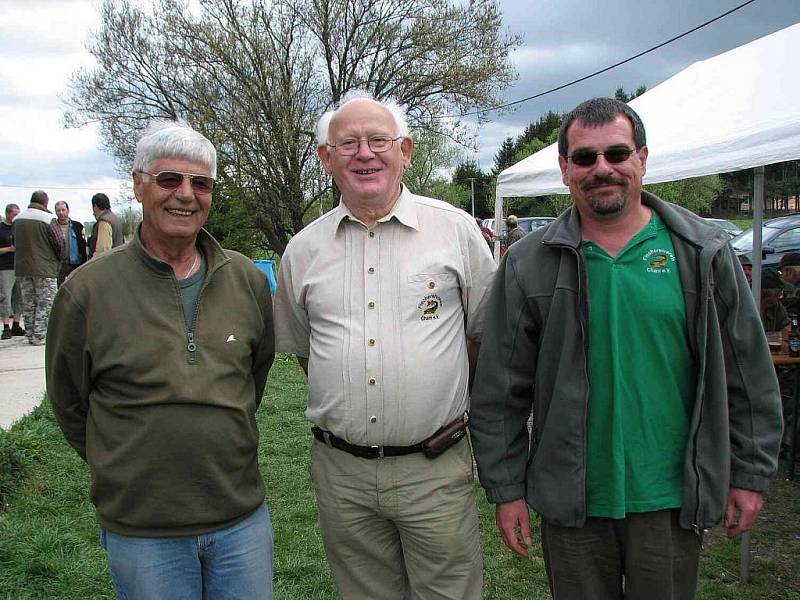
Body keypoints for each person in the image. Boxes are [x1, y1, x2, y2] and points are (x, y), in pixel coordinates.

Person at [469, 97, 782, 600]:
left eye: (617, 153)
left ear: (642, 157)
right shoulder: (529, 263)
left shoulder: (702, 253)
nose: (603, 169)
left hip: (668, 496)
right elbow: (500, 390)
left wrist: (750, 473)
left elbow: (748, 375)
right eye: (586, 158)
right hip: (572, 499)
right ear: (565, 169)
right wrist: (506, 490)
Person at [273, 91, 496, 600]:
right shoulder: (303, 251)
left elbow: (483, 337)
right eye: (347, 143)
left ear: (407, 151)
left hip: (435, 471)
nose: (365, 154)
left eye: (378, 140)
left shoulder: (456, 231)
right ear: (326, 159)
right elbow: (309, 354)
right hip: (343, 477)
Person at [46, 120, 275, 600]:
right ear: (138, 184)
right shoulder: (87, 292)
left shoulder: (247, 281)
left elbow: (254, 377)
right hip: (143, 528)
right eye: (170, 179)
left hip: (240, 520)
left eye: (201, 183)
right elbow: (69, 402)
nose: (186, 195)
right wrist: (120, 461)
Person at [12, 191, 64, 345]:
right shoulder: (48, 219)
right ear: (46, 203)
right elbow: (59, 243)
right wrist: (58, 260)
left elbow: (14, 241)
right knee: (45, 302)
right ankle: (40, 336)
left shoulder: (17, 219)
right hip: (44, 268)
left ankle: (29, 334)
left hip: (22, 267)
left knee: (28, 303)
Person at [0, 203, 25, 339]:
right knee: (5, 296)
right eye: (15, 214)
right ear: (8, 214)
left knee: (19, 296)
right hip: (5, 267)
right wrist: (8, 249)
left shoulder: (19, 228)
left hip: (20, 266)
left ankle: (16, 323)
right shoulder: (1, 228)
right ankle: (5, 326)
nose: (16, 217)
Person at [54, 201, 87, 286]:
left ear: (68, 211)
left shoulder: (77, 226)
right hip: (58, 265)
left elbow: (82, 246)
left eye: (63, 210)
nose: (61, 213)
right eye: (58, 210)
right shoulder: (52, 227)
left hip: (74, 263)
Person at [88, 192, 124, 257]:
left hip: (108, 264)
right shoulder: (114, 218)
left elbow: (102, 250)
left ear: (95, 206)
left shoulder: (104, 221)